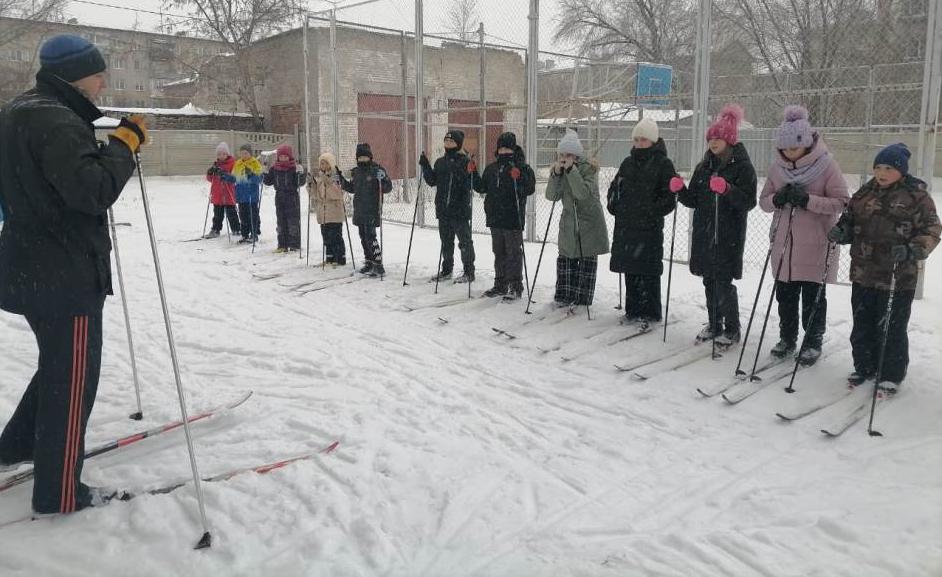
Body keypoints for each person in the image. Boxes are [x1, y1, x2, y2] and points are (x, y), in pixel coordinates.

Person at [0, 34, 146, 514]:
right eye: (99, 72)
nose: (103, 81)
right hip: (64, 274)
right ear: (75, 74)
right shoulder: (56, 119)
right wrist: (124, 146)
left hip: (33, 266)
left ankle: (14, 446)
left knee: (59, 366)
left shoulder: (23, 109)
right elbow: (92, 190)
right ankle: (60, 492)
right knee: (73, 380)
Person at [828, 143, 939, 394]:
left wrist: (914, 249)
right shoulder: (866, 192)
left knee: (891, 327)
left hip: (898, 277)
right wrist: (842, 231)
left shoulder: (916, 196)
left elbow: (932, 229)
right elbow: (850, 220)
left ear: (901, 170)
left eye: (889, 168)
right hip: (864, 272)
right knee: (863, 323)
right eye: (878, 167)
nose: (882, 172)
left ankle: (890, 373)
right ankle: (865, 366)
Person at [759, 105, 848, 365]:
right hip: (783, 246)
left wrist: (808, 200)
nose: (788, 153)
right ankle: (787, 338)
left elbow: (842, 201)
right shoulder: (777, 168)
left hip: (815, 245)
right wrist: (779, 198)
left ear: (807, 143)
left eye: (794, 148)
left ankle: (812, 342)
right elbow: (764, 202)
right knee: (785, 298)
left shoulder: (827, 165)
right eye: (784, 148)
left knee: (812, 299)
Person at [675, 104, 757, 349]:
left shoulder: (742, 167)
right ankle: (714, 323)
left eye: (719, 138)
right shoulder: (704, 167)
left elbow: (749, 201)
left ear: (729, 140)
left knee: (723, 282)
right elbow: (694, 200)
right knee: (709, 281)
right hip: (704, 233)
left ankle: (732, 328)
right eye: (711, 138)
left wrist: (729, 190)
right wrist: (681, 190)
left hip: (727, 235)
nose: (713, 142)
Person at [607, 118, 677, 329]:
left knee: (648, 271)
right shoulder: (628, 163)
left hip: (649, 228)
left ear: (653, 141)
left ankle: (651, 312)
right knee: (630, 269)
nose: (639, 143)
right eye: (636, 139)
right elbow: (615, 187)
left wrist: (650, 211)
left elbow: (668, 197)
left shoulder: (663, 164)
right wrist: (615, 204)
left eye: (643, 139)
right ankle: (633, 309)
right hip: (627, 226)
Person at [545, 129, 609, 308]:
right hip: (569, 223)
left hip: (588, 222)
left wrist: (572, 171)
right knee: (567, 258)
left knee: (586, 258)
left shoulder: (588, 169)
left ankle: (582, 298)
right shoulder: (562, 169)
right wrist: (556, 175)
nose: (565, 158)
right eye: (562, 154)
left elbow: (582, 194)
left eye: (569, 154)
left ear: (576, 155)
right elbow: (551, 196)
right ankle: (564, 294)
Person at [475, 132, 535, 299]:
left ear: (514, 148)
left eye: (507, 148)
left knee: (513, 252)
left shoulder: (522, 167)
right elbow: (482, 188)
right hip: (495, 218)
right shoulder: (492, 168)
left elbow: (529, 188)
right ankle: (500, 283)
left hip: (512, 218)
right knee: (499, 252)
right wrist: (472, 175)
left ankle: (515, 286)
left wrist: (520, 177)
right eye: (501, 148)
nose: (503, 151)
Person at [420, 129, 482, 283]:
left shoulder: (465, 161)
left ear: (458, 144)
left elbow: (474, 183)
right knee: (446, 241)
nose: (448, 143)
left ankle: (469, 271)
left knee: (465, 242)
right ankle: (447, 269)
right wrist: (425, 165)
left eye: (452, 141)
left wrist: (472, 170)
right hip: (443, 210)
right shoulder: (440, 162)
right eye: (446, 141)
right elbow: (432, 181)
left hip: (459, 210)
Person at [340, 143, 392, 276]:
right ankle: (369, 261)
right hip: (359, 209)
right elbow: (352, 188)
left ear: (370, 157)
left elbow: (387, 188)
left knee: (371, 237)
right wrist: (341, 180)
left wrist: (384, 178)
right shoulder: (356, 172)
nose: (362, 160)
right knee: (363, 237)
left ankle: (378, 264)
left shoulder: (376, 170)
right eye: (360, 158)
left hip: (371, 209)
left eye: (365, 157)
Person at [263, 143, 305, 253]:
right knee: (281, 222)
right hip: (279, 197)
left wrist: (300, 174)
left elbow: (300, 183)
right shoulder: (274, 168)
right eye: (281, 157)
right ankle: (282, 244)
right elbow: (268, 181)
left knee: (293, 222)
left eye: (285, 157)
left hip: (292, 197)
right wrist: (264, 173)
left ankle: (294, 244)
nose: (283, 159)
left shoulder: (293, 168)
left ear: (289, 157)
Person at [308, 151, 347, 266]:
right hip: (323, 212)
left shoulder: (336, 176)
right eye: (321, 164)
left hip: (334, 213)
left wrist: (328, 182)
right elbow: (317, 195)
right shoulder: (321, 177)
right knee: (326, 237)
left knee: (335, 236)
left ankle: (339, 258)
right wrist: (311, 186)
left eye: (325, 163)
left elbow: (337, 193)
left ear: (330, 164)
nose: (322, 166)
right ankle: (329, 258)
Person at [224, 143, 263, 244]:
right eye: (242, 153)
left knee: (252, 215)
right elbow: (234, 178)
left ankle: (254, 233)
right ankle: (245, 234)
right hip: (241, 195)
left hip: (251, 195)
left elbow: (259, 179)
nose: (244, 155)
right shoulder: (238, 163)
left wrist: (251, 175)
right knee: (243, 215)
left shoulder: (255, 163)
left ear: (250, 153)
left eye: (246, 153)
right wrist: (226, 177)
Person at [204, 142, 240, 239]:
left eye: (224, 154)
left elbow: (235, 178)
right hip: (217, 194)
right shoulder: (215, 165)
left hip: (228, 193)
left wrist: (225, 175)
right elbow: (210, 179)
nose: (221, 156)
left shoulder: (233, 163)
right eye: (219, 154)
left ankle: (236, 229)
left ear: (227, 154)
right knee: (217, 215)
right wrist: (210, 173)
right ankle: (215, 229)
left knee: (231, 213)